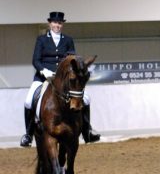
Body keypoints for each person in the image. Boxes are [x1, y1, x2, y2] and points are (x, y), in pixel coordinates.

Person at [20, 11, 100, 148]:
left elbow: (72, 59)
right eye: (55, 22)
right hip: (43, 77)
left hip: (63, 79)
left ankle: (87, 131)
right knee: (28, 101)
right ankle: (28, 134)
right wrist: (44, 71)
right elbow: (35, 60)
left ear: (62, 24)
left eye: (60, 23)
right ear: (50, 23)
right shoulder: (42, 40)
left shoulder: (68, 40)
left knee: (86, 99)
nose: (57, 25)